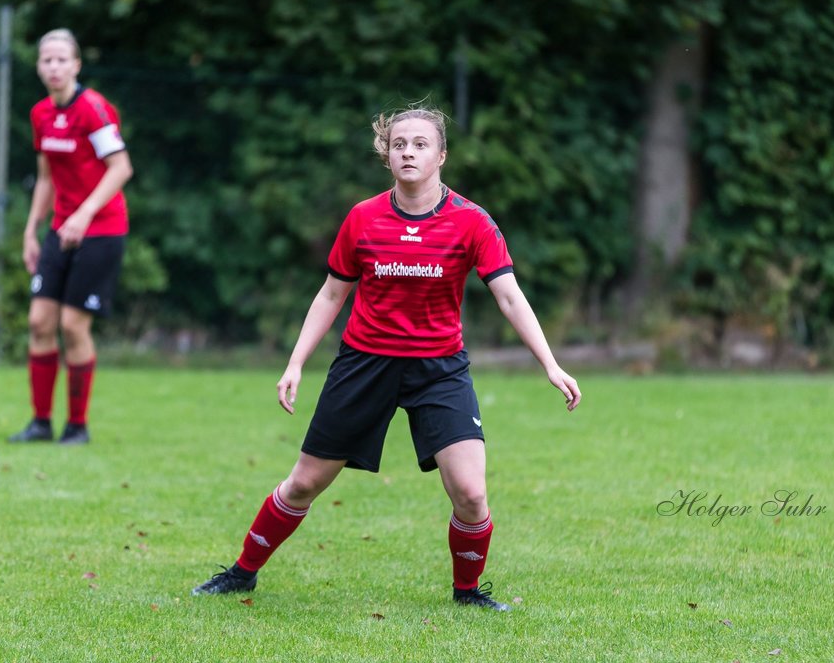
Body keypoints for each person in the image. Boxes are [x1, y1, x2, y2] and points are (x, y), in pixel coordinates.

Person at [192, 107, 581, 611]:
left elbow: (509, 296)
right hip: (364, 364)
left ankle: (467, 593)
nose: (409, 152)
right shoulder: (363, 217)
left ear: (441, 155)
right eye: (399, 144)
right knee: (305, 482)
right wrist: (295, 363)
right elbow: (331, 295)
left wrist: (550, 364)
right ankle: (243, 573)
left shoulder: (471, 221)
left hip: (439, 369)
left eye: (420, 144)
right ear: (386, 154)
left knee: (470, 491)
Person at [8, 29, 133, 446]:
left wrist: (83, 214)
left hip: (102, 230)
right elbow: (46, 177)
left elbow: (120, 168)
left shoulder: (93, 109)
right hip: (60, 230)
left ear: (77, 65)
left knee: (73, 326)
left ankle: (77, 427)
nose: (54, 67)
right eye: (47, 60)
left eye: (63, 59)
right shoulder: (41, 113)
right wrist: (30, 230)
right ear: (39, 66)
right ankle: (40, 423)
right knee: (39, 322)